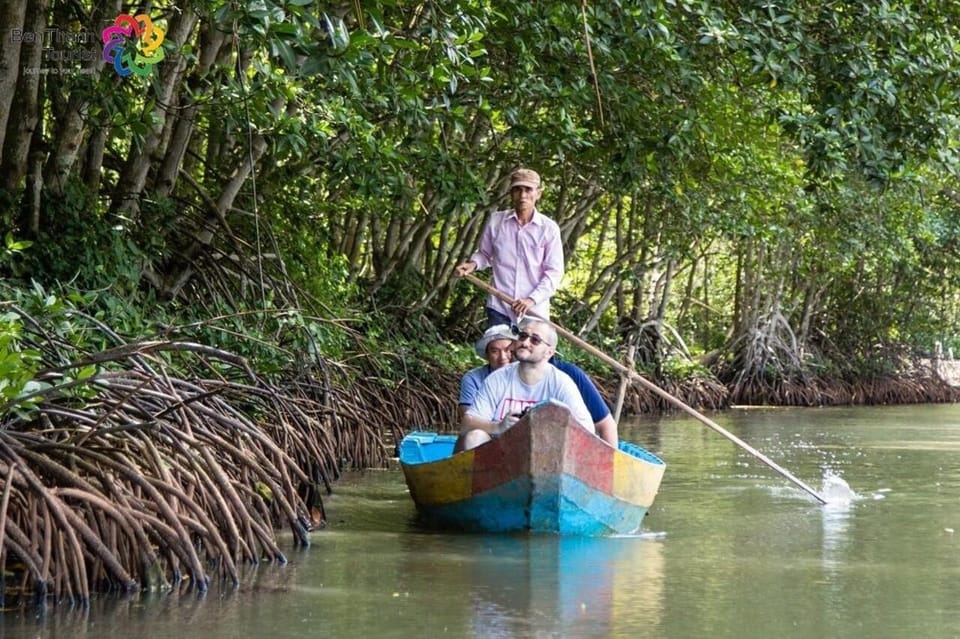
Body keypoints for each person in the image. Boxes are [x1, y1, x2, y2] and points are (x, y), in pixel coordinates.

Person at [456, 319, 594, 452]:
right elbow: (467, 424)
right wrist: (499, 426)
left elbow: (587, 429)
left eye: (535, 340)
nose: (525, 342)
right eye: (522, 336)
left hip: (546, 454)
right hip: (501, 456)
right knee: (475, 437)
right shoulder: (497, 378)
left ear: (549, 352)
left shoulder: (561, 382)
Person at [454, 168, 564, 327]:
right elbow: (485, 254)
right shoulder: (496, 221)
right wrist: (472, 264)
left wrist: (531, 299)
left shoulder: (548, 228)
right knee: (498, 351)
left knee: (529, 351)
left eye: (528, 190)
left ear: (538, 194)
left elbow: (554, 272)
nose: (523, 195)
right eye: (518, 189)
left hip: (534, 311)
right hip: (499, 306)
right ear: (511, 193)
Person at [459, 324, 517, 419]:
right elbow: (467, 417)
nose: (502, 357)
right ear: (487, 354)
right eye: (495, 351)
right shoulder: (473, 378)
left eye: (508, 350)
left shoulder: (527, 375)